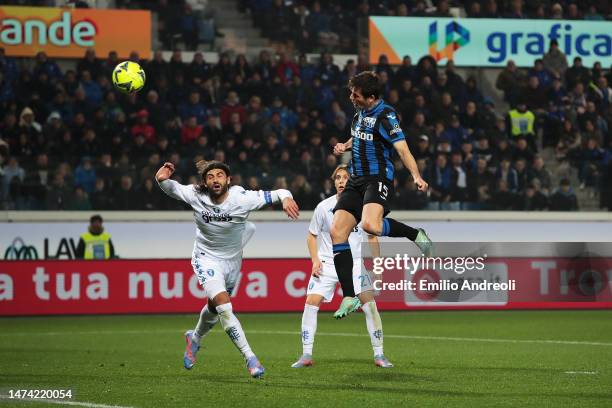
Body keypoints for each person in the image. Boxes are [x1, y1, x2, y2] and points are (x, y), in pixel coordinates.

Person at [155, 160, 299, 378]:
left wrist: (286, 198)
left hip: (232, 262)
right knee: (224, 306)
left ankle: (194, 339)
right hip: (206, 258)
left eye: (220, 175)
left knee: (214, 307)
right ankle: (250, 358)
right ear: (204, 182)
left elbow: (280, 191)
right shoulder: (196, 195)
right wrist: (161, 178)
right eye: (210, 176)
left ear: (228, 180)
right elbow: (169, 187)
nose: (215, 180)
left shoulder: (241, 198)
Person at [330, 71, 432, 319]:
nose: (351, 97)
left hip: (378, 178)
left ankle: (414, 234)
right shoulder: (360, 114)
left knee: (370, 225)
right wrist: (345, 145)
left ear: (371, 96)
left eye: (356, 94)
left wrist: (416, 176)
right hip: (356, 179)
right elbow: (359, 135)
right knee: (337, 232)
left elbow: (403, 150)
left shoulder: (387, 117)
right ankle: (349, 297)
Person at [292, 165, 393, 369]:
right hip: (328, 263)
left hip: (354, 263)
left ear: (353, 181)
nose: (341, 181)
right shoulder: (323, 207)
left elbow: (373, 236)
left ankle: (380, 354)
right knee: (311, 303)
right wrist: (315, 260)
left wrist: (378, 267)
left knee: (369, 305)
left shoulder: (364, 207)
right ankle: (306, 354)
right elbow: (312, 235)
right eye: (337, 177)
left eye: (346, 177)